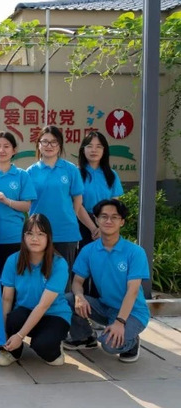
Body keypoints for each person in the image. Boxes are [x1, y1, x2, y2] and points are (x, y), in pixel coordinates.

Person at [64, 199, 149, 363]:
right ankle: (84, 337)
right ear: (96, 220)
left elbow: (132, 291)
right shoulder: (88, 250)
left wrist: (120, 322)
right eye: (104, 216)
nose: (108, 221)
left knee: (110, 346)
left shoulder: (135, 252)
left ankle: (132, 342)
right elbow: (77, 282)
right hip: (105, 307)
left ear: (122, 222)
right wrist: (79, 297)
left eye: (114, 217)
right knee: (68, 299)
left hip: (133, 313)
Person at [0, 214, 71, 367]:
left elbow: (43, 305)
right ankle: (12, 351)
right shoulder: (13, 260)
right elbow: (7, 299)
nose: (35, 239)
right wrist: (4, 332)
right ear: (23, 237)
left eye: (41, 234)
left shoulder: (59, 264)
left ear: (49, 237)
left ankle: (54, 347)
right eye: (30, 233)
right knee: (12, 319)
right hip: (25, 311)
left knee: (44, 347)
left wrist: (20, 335)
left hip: (54, 315)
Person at [26, 125, 84, 284]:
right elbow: (26, 202)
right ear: (38, 145)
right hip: (38, 233)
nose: (49, 146)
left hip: (65, 232)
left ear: (60, 145)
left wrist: (69, 216)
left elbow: (78, 199)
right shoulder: (30, 172)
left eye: (54, 142)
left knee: (63, 279)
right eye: (44, 142)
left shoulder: (70, 169)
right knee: (39, 278)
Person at [76, 131, 124, 294]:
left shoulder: (111, 175)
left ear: (104, 150)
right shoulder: (77, 173)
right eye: (89, 146)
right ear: (83, 149)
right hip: (83, 223)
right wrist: (93, 228)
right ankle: (81, 302)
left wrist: (104, 225)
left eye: (98, 146)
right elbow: (77, 205)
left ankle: (101, 303)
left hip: (106, 222)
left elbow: (114, 204)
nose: (94, 150)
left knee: (103, 266)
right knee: (83, 266)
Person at [0, 131, 36, 273]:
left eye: (6, 146)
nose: (1, 150)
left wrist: (6, 200)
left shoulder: (22, 175)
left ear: (14, 150)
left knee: (12, 279)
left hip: (13, 238)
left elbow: (27, 206)